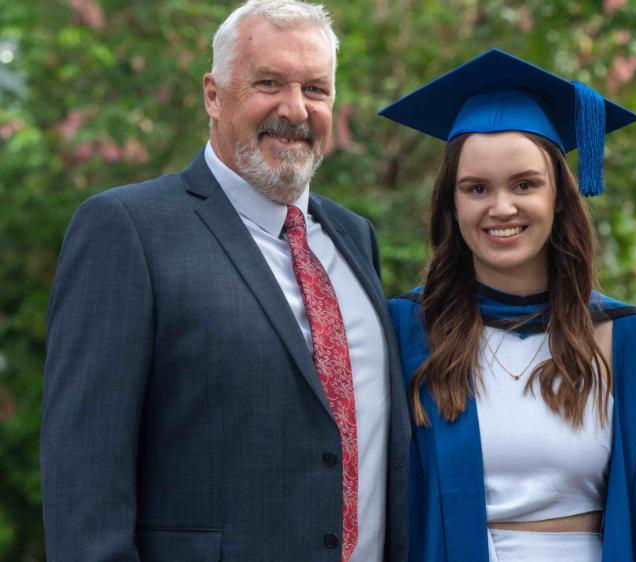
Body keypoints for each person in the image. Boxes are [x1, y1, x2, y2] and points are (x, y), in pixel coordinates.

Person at [40, 1, 409, 560]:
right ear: (213, 94)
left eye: (316, 88)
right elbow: (84, 472)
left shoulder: (354, 237)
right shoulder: (128, 229)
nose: (295, 109)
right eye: (268, 82)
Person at [379, 49, 636, 562]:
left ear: (559, 195)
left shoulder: (632, 341)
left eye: (524, 184)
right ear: (452, 203)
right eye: (476, 189)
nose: (502, 208)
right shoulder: (406, 331)